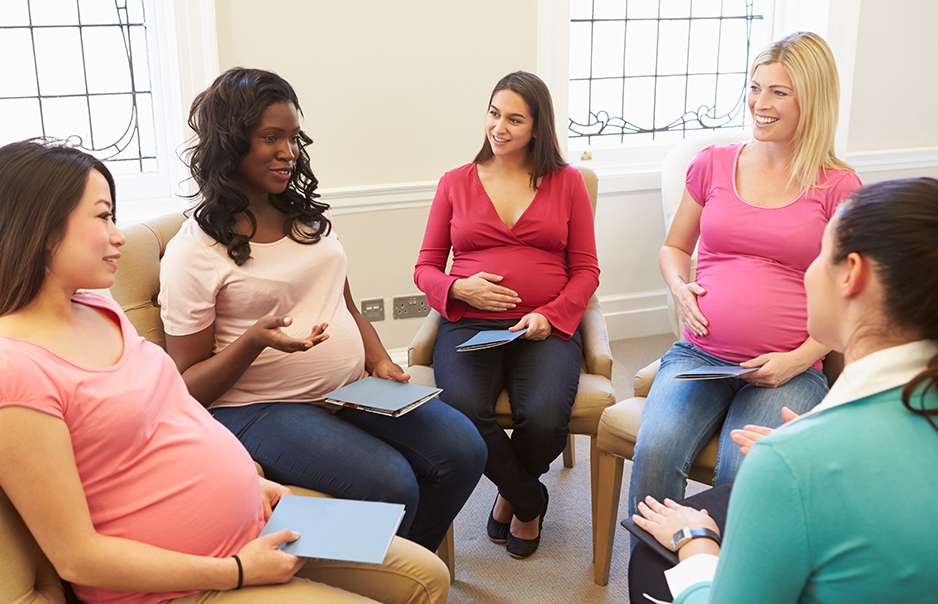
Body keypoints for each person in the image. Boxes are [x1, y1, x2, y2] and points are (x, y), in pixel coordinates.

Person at [0, 139, 450, 604]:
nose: (117, 236)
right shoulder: (11, 374)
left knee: (427, 576)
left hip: (256, 521)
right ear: (40, 230)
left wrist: (252, 485)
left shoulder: (95, 308)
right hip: (187, 581)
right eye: (104, 217)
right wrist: (238, 570)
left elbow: (174, 413)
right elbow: (77, 557)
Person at [158, 68, 486, 553]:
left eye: (293, 137)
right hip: (257, 408)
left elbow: (346, 304)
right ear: (230, 143)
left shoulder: (310, 220)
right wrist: (253, 341)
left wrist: (378, 359)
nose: (288, 152)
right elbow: (185, 388)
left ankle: (407, 575)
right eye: (271, 137)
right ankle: (382, 574)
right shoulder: (195, 252)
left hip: (348, 388)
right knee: (391, 483)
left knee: (464, 448)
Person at [630, 176, 938, 603]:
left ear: (852, 274)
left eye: (819, 254)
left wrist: (694, 541)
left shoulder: (792, 464)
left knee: (650, 565)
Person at [628, 32, 863, 516]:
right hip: (700, 354)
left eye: (779, 92)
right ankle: (656, 589)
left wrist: (799, 360)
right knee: (654, 456)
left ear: (812, 100)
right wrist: (679, 287)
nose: (760, 102)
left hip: (785, 371)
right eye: (755, 87)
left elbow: (855, 301)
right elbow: (674, 248)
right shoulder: (712, 164)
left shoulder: (839, 186)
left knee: (744, 476)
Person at [414, 71, 600, 558]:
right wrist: (460, 288)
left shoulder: (568, 183)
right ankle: (529, 498)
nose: (499, 127)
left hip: (544, 326)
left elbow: (585, 271)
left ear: (537, 128)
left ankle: (512, 492)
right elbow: (425, 269)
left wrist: (551, 315)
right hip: (470, 323)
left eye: (514, 119)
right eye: (494, 114)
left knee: (541, 416)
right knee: (460, 412)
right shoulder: (455, 182)